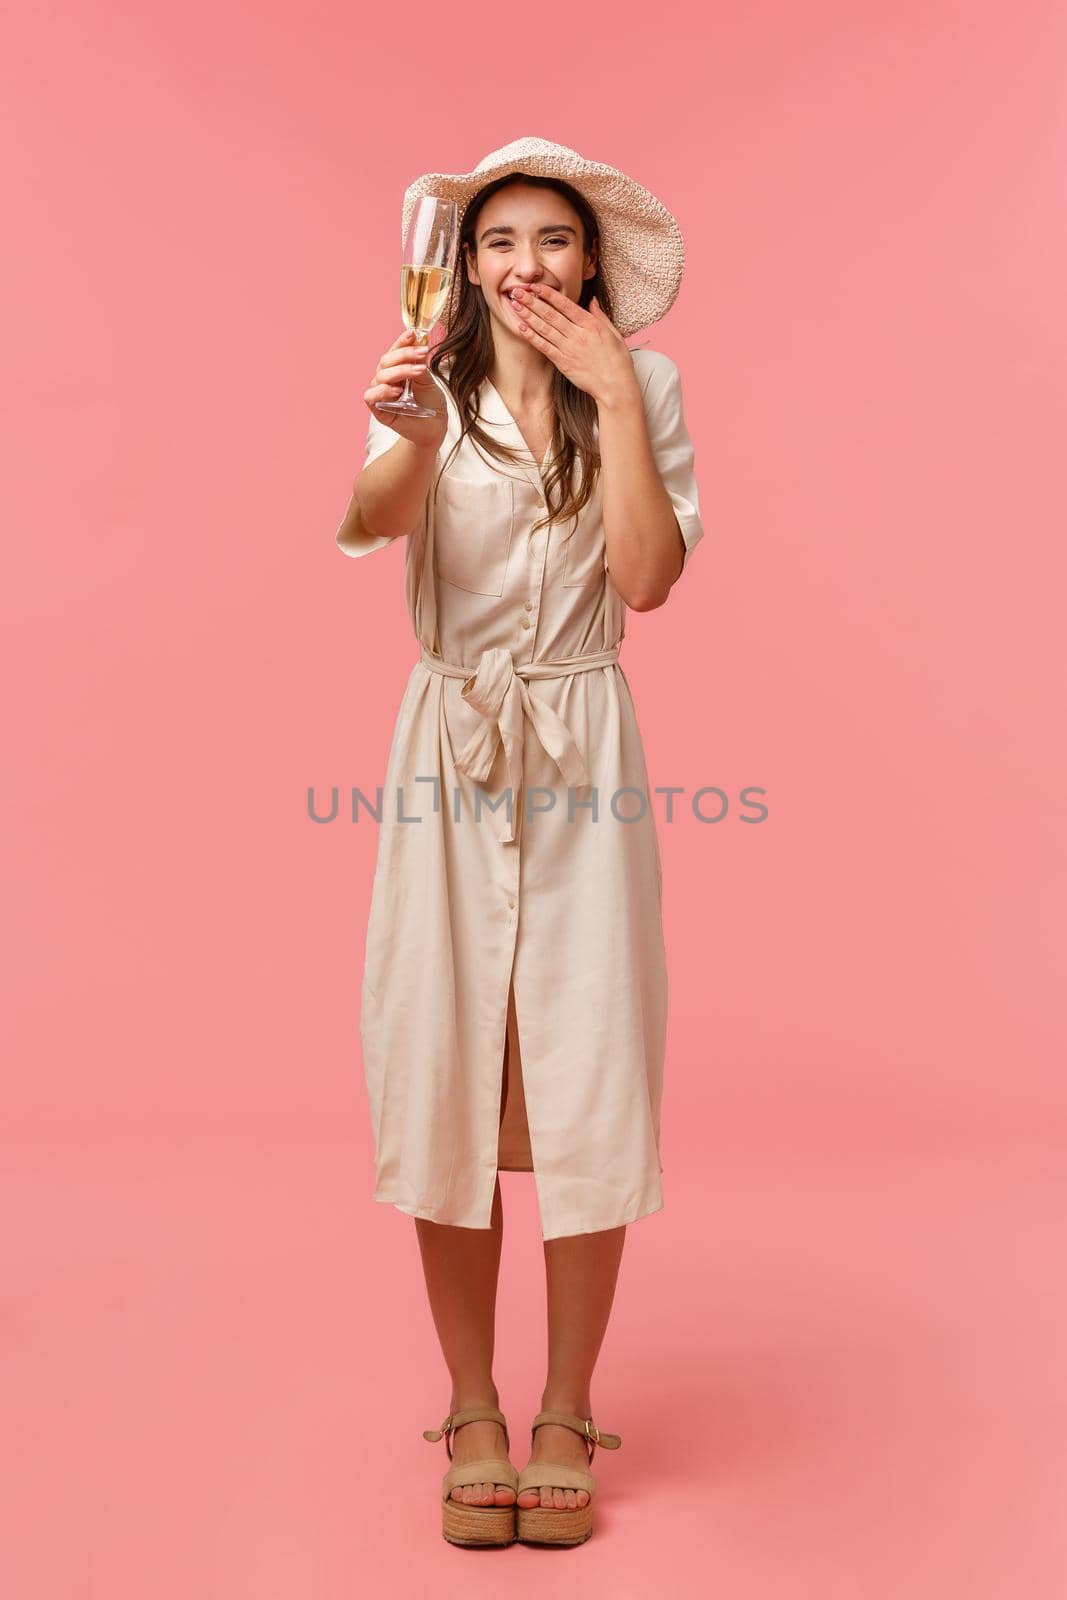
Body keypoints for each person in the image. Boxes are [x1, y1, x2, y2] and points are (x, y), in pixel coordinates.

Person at [333, 137, 705, 1549]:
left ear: (592, 262)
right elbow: (364, 525)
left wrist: (613, 395)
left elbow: (650, 581)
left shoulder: (647, 386)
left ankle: (566, 1408)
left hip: (582, 746)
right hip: (447, 747)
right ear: (466, 261)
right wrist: (414, 439)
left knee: (587, 1060)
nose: (526, 264)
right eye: (502, 241)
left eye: (554, 240)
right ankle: (473, 1405)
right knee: (442, 1064)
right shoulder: (427, 380)